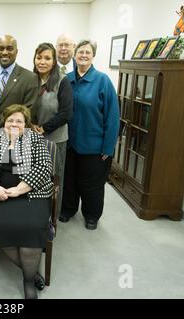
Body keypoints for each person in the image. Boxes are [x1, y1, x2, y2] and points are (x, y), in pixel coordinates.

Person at [0, 104, 53, 299]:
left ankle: (28, 281)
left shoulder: (35, 139)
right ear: (4, 122)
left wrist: (19, 189)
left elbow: (45, 168)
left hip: (31, 195)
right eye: (10, 120)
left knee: (33, 227)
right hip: (1, 195)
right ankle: (31, 271)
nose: (14, 123)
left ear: (26, 124)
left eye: (19, 121)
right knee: (1, 226)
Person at [60, 40, 119, 230]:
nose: (83, 55)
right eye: (80, 52)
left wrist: (108, 148)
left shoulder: (103, 81)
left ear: (93, 56)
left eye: (88, 52)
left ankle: (92, 215)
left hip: (94, 146)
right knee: (69, 180)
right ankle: (68, 210)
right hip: (69, 143)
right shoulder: (66, 79)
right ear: (74, 55)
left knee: (91, 184)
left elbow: (112, 117)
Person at [31, 42, 73, 224]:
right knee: (34, 177)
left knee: (54, 179)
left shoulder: (62, 81)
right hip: (32, 137)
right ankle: (35, 214)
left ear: (54, 61)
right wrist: (31, 124)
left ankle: (51, 218)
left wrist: (44, 128)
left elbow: (66, 112)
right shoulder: (30, 80)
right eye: (39, 57)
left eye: (47, 58)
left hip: (55, 139)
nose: (42, 62)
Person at [0, 34, 38, 132]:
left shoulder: (30, 78)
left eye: (9, 48)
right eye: (1, 48)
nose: (4, 52)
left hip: (13, 136)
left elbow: (28, 111)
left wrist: (8, 130)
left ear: (16, 51)